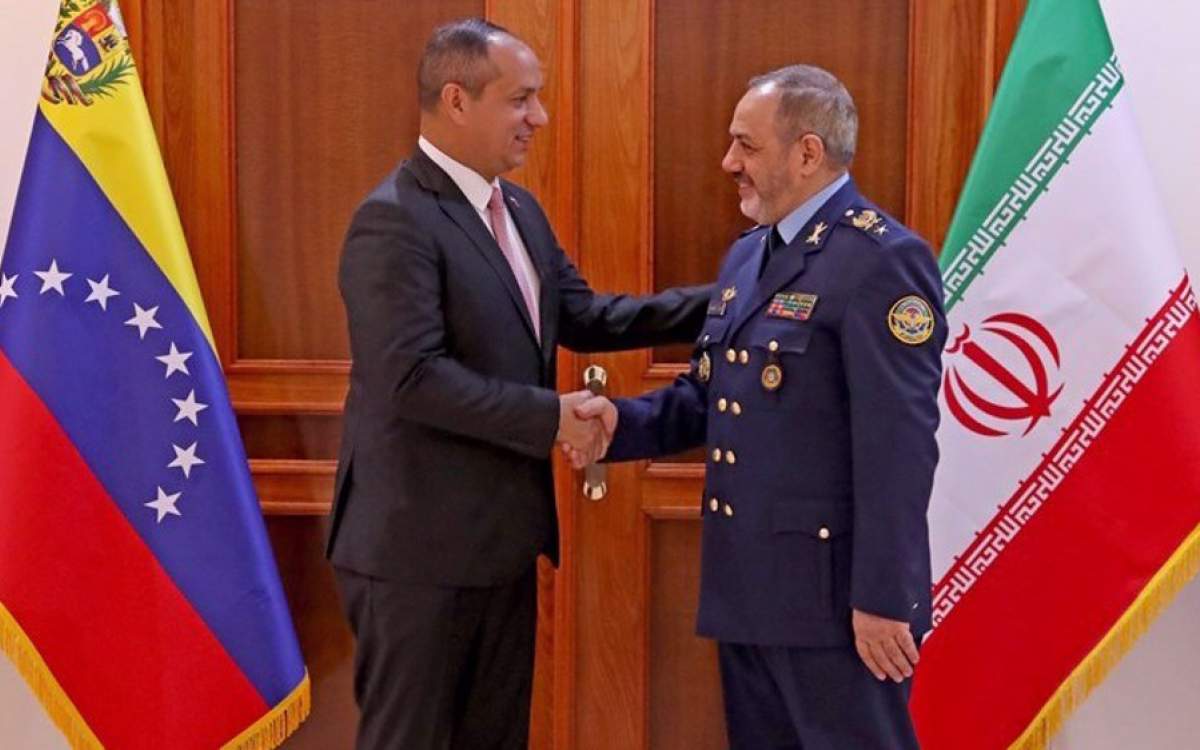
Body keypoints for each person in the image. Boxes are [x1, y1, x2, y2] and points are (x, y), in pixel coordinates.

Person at [327, 18, 711, 750]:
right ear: (457, 101)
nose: (540, 117)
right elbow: (411, 378)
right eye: (522, 100)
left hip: (500, 546)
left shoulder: (519, 210)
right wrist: (552, 416)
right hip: (416, 556)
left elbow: (587, 317)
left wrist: (726, 301)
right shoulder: (393, 220)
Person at [577, 65, 946, 748]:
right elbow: (709, 395)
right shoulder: (748, 258)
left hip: (836, 606)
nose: (729, 163)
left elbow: (899, 446)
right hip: (748, 590)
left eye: (745, 145)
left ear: (807, 152)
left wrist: (883, 599)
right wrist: (619, 424)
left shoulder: (881, 261)